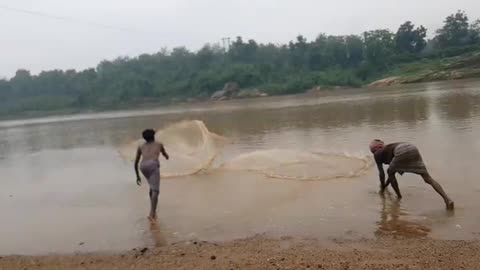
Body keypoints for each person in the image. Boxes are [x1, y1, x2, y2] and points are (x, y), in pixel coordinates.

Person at [369, 139, 454, 210]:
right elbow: (392, 172)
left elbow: (382, 174)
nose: (373, 153)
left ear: (377, 148)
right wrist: (385, 186)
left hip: (400, 150)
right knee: (427, 178)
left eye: (372, 150)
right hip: (412, 147)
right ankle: (447, 199)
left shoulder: (377, 154)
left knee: (389, 172)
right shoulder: (388, 148)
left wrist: (382, 188)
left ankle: (399, 197)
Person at [135, 129, 169, 220]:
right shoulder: (159, 144)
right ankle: (152, 214)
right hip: (153, 165)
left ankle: (152, 208)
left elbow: (136, 162)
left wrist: (137, 176)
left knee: (152, 186)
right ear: (154, 136)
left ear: (144, 138)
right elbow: (165, 154)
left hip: (143, 166)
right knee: (156, 191)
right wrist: (166, 156)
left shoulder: (140, 146)